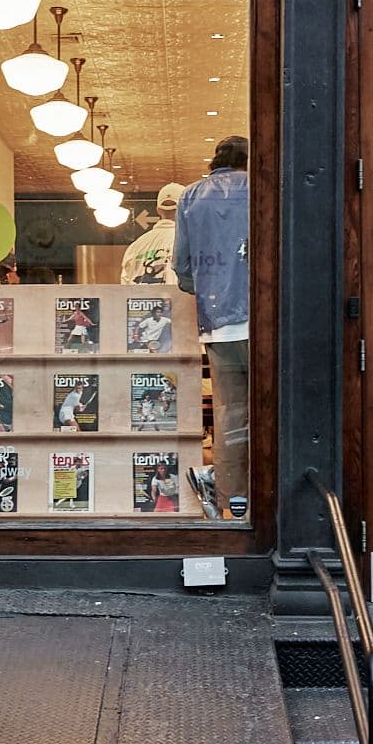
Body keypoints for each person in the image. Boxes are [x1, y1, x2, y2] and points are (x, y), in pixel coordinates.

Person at [173, 137, 249, 518]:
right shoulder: (259, 188)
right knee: (273, 409)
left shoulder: (189, 197)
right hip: (260, 319)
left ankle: (229, 499)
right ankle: (261, 496)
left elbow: (182, 269)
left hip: (216, 325)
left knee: (230, 411)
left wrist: (207, 289)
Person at [120, 183, 185, 286]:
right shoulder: (191, 243)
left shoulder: (135, 247)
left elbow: (125, 286)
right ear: (185, 209)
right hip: (179, 301)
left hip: (137, 300)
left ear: (158, 210)